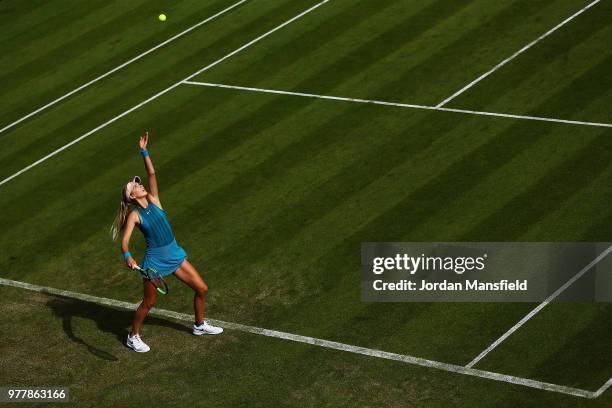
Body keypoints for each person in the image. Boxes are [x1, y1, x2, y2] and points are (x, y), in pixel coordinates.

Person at [110, 131, 222, 352]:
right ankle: (133, 336)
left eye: (139, 184)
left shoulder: (154, 200)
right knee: (148, 303)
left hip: (174, 253)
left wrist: (144, 151)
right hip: (155, 262)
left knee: (202, 288)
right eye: (136, 186)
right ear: (132, 197)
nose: (140, 185)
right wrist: (128, 256)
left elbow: (151, 173)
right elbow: (124, 242)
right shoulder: (135, 215)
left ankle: (199, 325)